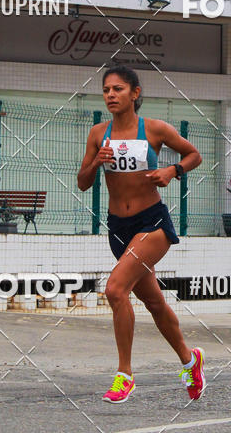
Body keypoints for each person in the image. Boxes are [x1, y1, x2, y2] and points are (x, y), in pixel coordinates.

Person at [77, 64, 206, 404]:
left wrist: (171, 171)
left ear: (134, 94)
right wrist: (95, 162)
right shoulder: (97, 134)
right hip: (118, 228)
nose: (110, 95)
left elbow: (195, 155)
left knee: (115, 290)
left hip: (152, 224)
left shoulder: (155, 129)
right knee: (152, 301)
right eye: (106, 90)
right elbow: (82, 181)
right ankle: (190, 361)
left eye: (118, 89)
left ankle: (125, 375)